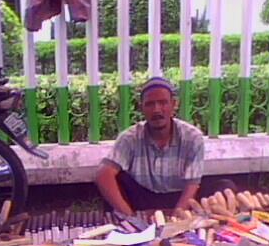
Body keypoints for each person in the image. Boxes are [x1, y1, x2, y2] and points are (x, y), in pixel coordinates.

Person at [94, 77, 236, 215]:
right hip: (142, 198)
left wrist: (177, 216)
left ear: (174, 104)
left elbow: (192, 185)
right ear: (141, 107)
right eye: (150, 104)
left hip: (178, 196)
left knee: (224, 187)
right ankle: (125, 223)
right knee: (114, 181)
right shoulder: (129, 138)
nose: (156, 110)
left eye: (163, 103)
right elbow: (103, 174)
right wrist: (129, 215)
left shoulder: (192, 137)